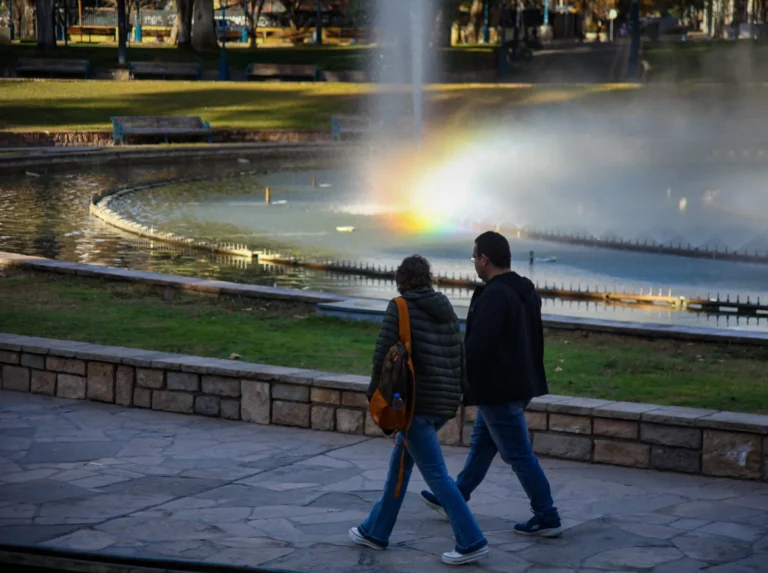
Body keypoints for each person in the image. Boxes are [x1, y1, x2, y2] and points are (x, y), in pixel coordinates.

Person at [420, 231, 563, 537]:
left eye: (474, 257)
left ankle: (547, 514)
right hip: (520, 381)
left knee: (518, 454)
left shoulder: (495, 295)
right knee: (483, 445)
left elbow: (478, 345)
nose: (474, 262)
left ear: (484, 259)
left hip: (499, 387)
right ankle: (454, 498)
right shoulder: (527, 291)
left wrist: (457, 376)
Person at [349, 254, 489, 565]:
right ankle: (375, 531)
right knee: (399, 468)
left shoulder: (399, 307)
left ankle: (471, 541)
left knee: (436, 475)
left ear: (400, 278)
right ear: (427, 278)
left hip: (414, 405)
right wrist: (460, 393)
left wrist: (374, 394)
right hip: (442, 403)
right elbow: (459, 353)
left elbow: (382, 356)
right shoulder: (445, 307)